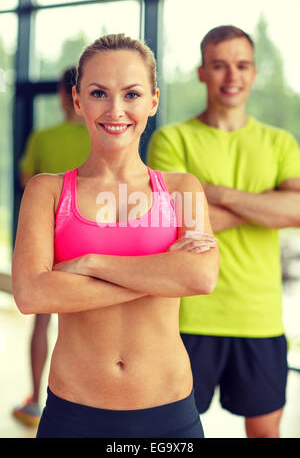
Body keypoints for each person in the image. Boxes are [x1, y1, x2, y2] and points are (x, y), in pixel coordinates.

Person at [12, 33, 219, 438]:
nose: (116, 109)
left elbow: (201, 277)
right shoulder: (46, 192)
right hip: (73, 413)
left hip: (168, 413)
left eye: (132, 94)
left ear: (153, 101)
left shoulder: (182, 190)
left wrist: (92, 263)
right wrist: (161, 275)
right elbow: (33, 294)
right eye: (99, 93)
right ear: (77, 101)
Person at [147, 25, 300, 438]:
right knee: (171, 438)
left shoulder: (280, 142)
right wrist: (266, 205)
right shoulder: (171, 139)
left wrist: (214, 193)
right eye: (219, 65)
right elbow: (173, 219)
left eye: (241, 65)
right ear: (202, 72)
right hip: (188, 316)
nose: (231, 76)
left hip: (260, 318)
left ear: (253, 72)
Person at [12, 67, 90, 427]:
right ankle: (86, 399)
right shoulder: (99, 139)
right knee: (90, 325)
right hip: (89, 244)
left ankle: (35, 399)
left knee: (42, 323)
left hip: (50, 241)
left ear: (65, 96)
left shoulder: (44, 138)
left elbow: (29, 182)